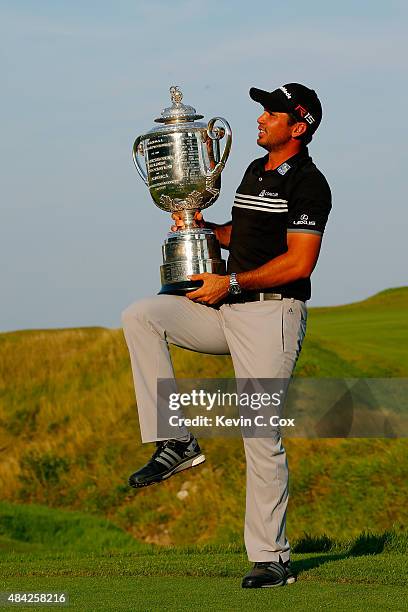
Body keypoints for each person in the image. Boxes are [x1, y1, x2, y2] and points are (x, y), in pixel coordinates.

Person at [121, 82, 332, 588]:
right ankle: (176, 439)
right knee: (142, 315)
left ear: (297, 127)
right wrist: (199, 228)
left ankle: (271, 559)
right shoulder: (255, 170)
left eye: (272, 113)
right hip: (227, 311)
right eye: (262, 110)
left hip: (270, 318)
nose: (261, 119)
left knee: (260, 437)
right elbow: (245, 232)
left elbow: (300, 261)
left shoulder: (309, 183)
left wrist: (231, 281)